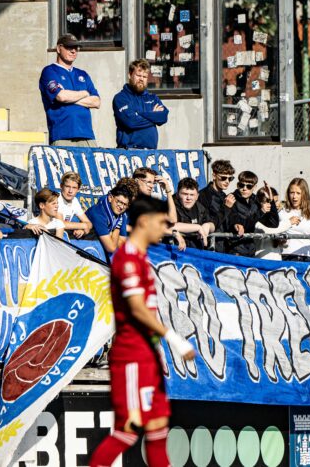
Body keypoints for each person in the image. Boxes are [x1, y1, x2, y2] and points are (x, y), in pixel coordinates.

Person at [89, 194, 196, 467]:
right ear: (145, 222)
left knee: (158, 430)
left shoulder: (140, 257)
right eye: (161, 223)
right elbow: (137, 309)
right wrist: (173, 339)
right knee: (128, 430)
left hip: (147, 354)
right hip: (131, 358)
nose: (165, 229)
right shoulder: (126, 259)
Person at [39, 34, 100, 146]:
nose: (73, 51)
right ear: (59, 49)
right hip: (62, 135)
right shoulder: (49, 71)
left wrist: (70, 97)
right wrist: (85, 93)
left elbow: (96, 102)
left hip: (87, 136)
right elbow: (61, 96)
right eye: (69, 47)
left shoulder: (83, 74)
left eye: (76, 48)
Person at [113, 59, 169, 149]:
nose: (141, 79)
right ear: (130, 75)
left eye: (145, 76)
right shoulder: (121, 98)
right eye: (138, 75)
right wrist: (153, 115)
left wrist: (139, 114)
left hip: (151, 152)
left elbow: (163, 117)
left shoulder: (152, 98)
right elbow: (131, 122)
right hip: (128, 151)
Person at [221, 170, 278, 256]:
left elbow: (273, 224)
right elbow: (241, 225)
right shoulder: (231, 199)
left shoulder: (255, 200)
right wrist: (261, 212)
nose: (244, 188)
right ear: (237, 185)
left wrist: (271, 200)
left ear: (254, 187)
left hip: (250, 250)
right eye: (241, 185)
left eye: (249, 186)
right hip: (234, 250)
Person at [85, 178, 139, 255]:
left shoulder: (121, 214)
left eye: (125, 204)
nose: (121, 206)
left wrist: (113, 232)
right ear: (110, 198)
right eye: (119, 202)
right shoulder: (100, 211)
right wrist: (117, 228)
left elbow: (122, 242)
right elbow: (111, 248)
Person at [172, 177, 214, 251]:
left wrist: (208, 225)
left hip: (197, 252)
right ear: (178, 194)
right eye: (185, 194)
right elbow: (168, 226)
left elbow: (213, 225)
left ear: (197, 196)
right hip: (176, 251)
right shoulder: (171, 206)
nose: (188, 198)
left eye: (192, 195)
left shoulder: (200, 208)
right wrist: (197, 227)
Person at [198, 159, 235, 230]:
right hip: (210, 236)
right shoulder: (203, 195)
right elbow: (209, 222)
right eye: (223, 178)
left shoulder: (224, 196)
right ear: (214, 176)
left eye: (230, 178)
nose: (227, 181)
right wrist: (226, 208)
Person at [55, 172, 93, 238]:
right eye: (67, 186)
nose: (70, 191)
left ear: (78, 189)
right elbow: (61, 223)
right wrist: (83, 226)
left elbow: (89, 223)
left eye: (74, 188)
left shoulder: (75, 201)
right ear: (61, 186)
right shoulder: (56, 199)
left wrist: (82, 231)